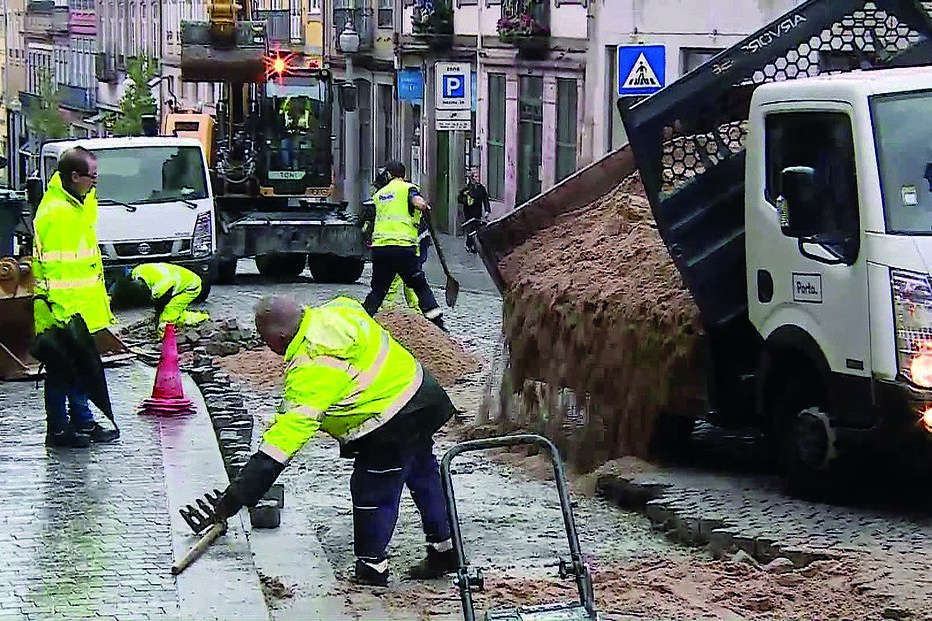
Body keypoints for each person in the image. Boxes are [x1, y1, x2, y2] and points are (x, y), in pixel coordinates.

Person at [186, 295, 458, 586]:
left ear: (280, 337)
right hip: (422, 394)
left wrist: (236, 498)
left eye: (266, 340)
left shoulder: (312, 364)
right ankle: (446, 551)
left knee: (373, 489)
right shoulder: (339, 308)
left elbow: (283, 443)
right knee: (423, 475)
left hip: (390, 421)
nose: (266, 346)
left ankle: (371, 569)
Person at [32, 146, 120, 448]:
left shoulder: (74, 205)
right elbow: (57, 272)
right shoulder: (58, 214)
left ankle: (81, 421)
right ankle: (58, 430)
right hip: (62, 311)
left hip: (75, 310)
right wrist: (64, 314)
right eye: (91, 177)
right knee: (60, 373)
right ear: (74, 177)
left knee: (77, 370)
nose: (95, 182)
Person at [362, 160, 446, 331]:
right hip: (402, 249)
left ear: (388, 175)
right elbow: (418, 202)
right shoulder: (407, 188)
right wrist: (425, 207)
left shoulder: (379, 194)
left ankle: (361, 322)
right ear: (404, 175)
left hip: (380, 250)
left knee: (378, 291)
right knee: (420, 286)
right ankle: (438, 325)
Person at [129, 262, 210, 334]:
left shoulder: (160, 287)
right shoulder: (137, 271)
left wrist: (159, 323)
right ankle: (185, 316)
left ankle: (164, 334)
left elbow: (161, 305)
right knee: (175, 313)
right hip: (180, 278)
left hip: (191, 286)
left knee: (170, 312)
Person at [457, 168, 491, 254]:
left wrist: (487, 210)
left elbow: (485, 199)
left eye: (478, 176)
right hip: (468, 212)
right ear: (472, 178)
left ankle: (475, 245)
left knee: (477, 229)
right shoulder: (467, 188)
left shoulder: (481, 188)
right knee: (470, 229)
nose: (477, 178)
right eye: (475, 177)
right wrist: (466, 201)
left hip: (477, 212)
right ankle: (469, 245)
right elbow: (460, 198)